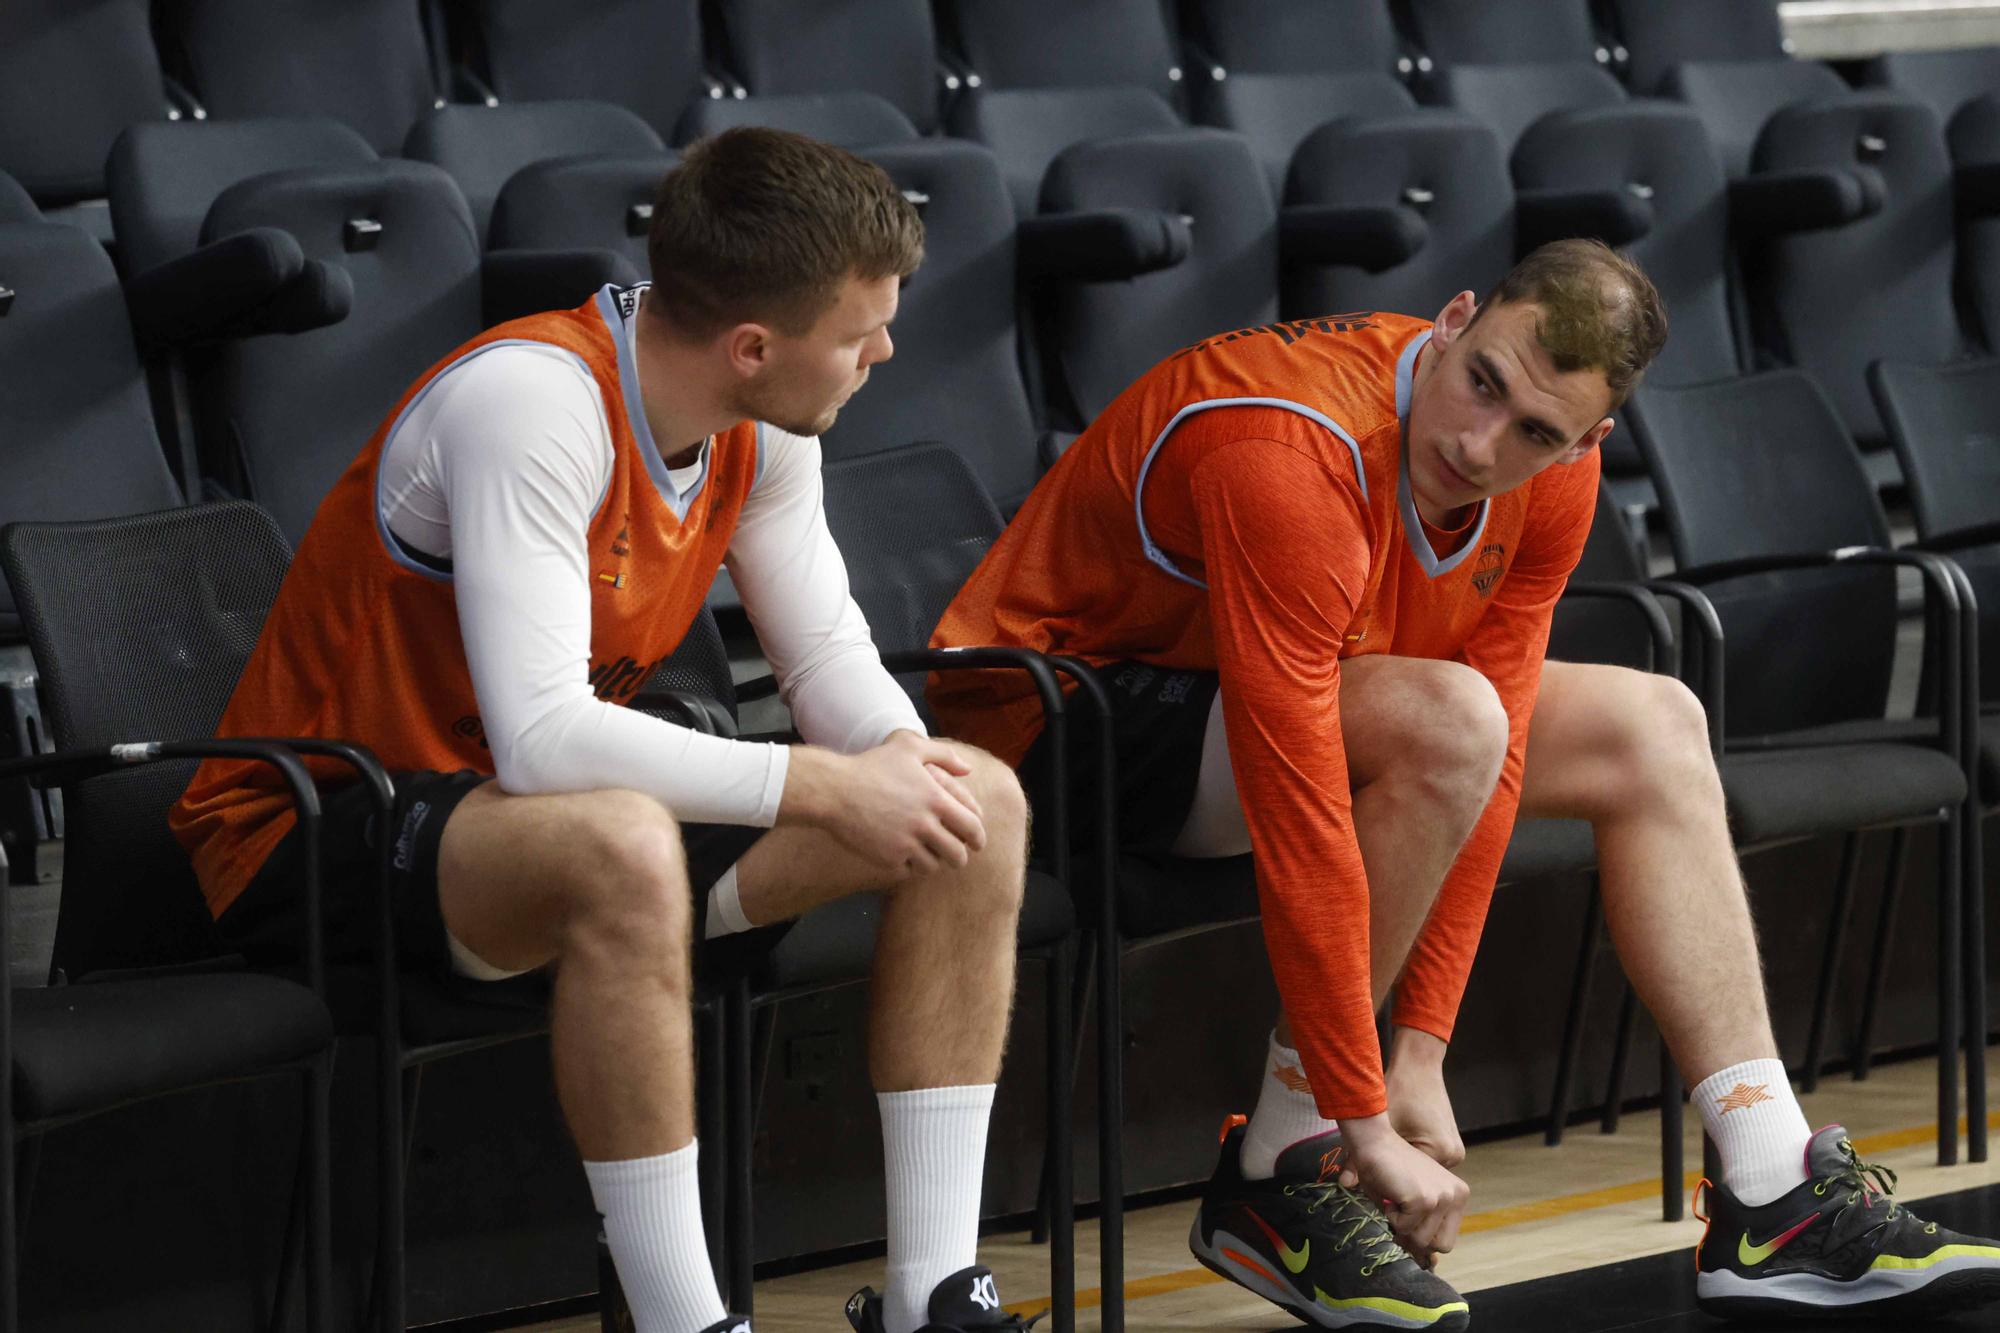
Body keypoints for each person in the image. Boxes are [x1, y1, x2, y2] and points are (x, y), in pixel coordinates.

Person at [929, 240, 2000, 1327]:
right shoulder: (1283, 450)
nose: (1478, 445)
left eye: (1535, 431)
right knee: (1448, 721)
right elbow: (1303, 808)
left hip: (1267, 700)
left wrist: (1421, 1052)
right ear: (1447, 323)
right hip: (1049, 722)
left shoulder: (1557, 480)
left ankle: (1770, 1192)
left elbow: (1495, 763)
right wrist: (1356, 1107)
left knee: (1654, 724)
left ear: (1590, 440)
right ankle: (1281, 1170)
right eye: (1480, 380)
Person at [172, 128, 1040, 1333]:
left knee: (972, 801)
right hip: (315, 823)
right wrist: (823, 789)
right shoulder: (533, 402)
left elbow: (829, 653)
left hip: (533, 823)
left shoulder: (767, 429)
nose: (885, 351)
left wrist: (896, 758)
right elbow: (539, 738)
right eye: (860, 333)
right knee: (624, 839)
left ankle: (933, 1295)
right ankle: (692, 1321)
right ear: (753, 348)